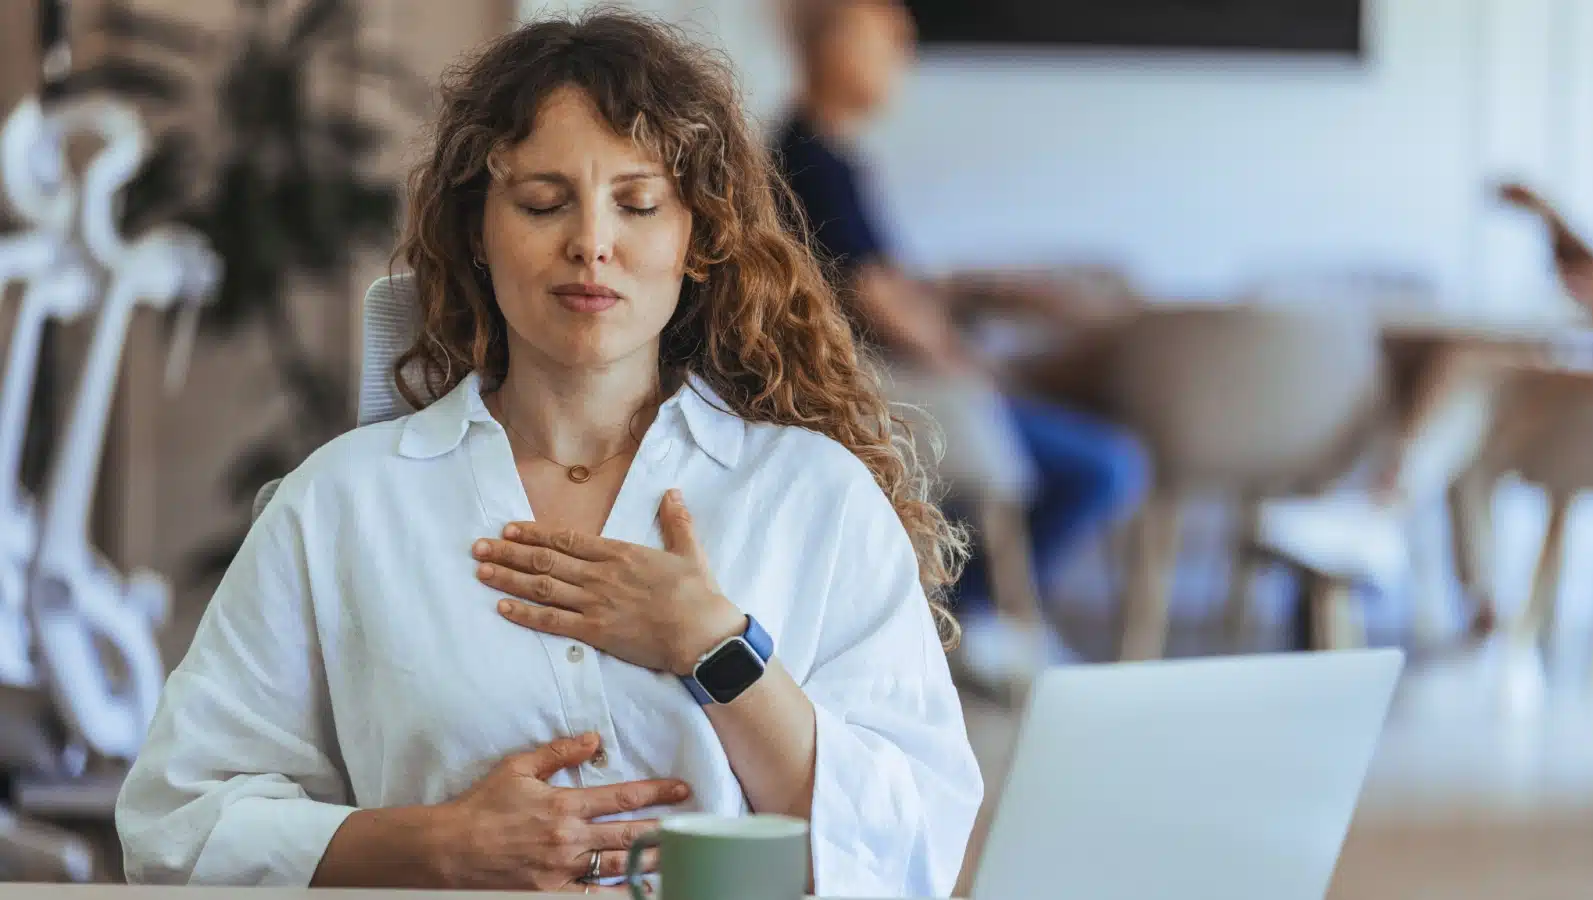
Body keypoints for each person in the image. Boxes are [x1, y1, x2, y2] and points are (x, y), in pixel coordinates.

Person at [114, 12, 982, 897]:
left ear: (699, 239)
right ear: (478, 235)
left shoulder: (811, 497)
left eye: (638, 204)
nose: (591, 242)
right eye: (541, 202)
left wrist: (716, 648)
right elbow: (177, 819)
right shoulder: (342, 503)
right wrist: (434, 846)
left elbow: (919, 841)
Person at [773, 0, 1148, 686]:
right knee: (1108, 465)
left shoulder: (824, 156)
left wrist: (976, 289)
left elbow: (881, 278)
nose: (901, 61)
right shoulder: (810, 160)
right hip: (899, 398)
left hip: (904, 390)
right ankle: (977, 615)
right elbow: (875, 297)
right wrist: (967, 364)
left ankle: (972, 616)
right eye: (887, 42)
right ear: (830, 48)